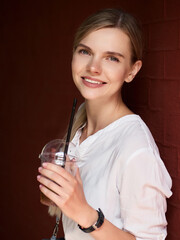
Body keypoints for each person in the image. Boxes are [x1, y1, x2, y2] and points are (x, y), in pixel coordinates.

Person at [37, 8, 172, 240]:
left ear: (132, 71)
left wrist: (85, 214)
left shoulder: (136, 149)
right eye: (85, 51)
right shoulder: (78, 129)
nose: (93, 67)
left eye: (112, 58)